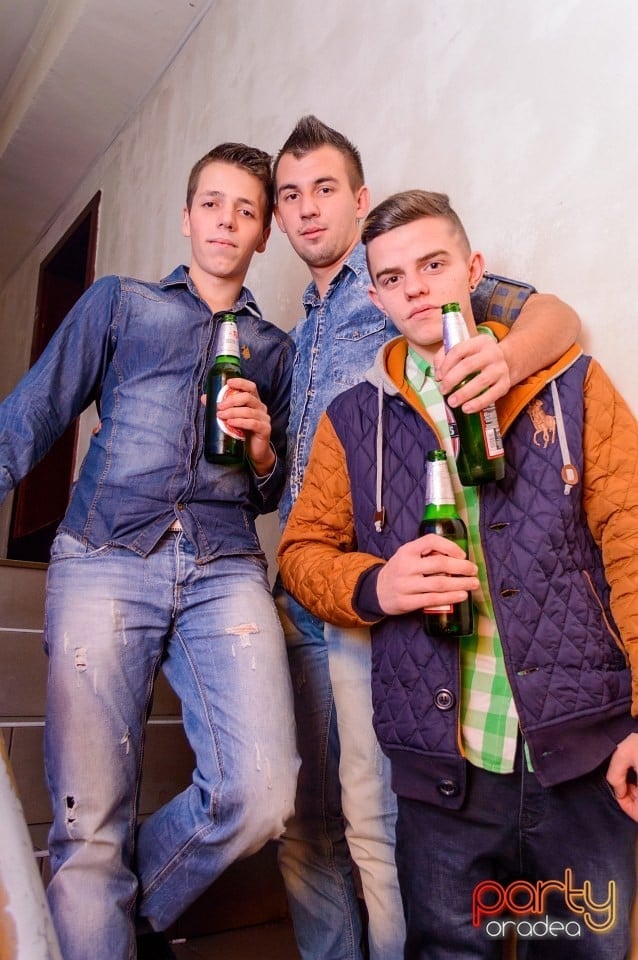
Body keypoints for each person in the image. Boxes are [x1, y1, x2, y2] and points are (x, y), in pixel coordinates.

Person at [278, 187, 638, 959]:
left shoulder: (572, 385)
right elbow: (301, 552)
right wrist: (377, 586)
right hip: (444, 775)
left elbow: (634, 546)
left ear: (473, 270)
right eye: (393, 277)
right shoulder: (354, 418)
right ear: (377, 297)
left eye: (433, 264)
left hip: (584, 759)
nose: (416, 288)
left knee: (580, 951)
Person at [0, 142, 300, 960]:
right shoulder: (121, 303)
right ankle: (94, 903)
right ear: (186, 216)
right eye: (212, 204)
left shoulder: (276, 351)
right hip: (105, 553)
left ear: (263, 233)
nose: (226, 221)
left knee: (261, 792)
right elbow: (34, 411)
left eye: (246, 210)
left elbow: (272, 491)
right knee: (88, 822)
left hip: (224, 567)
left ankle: (114, 901)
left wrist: (263, 449)